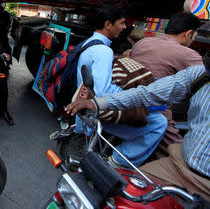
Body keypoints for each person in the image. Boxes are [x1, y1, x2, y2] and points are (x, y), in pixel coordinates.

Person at [65, 52, 210, 200]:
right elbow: (147, 93)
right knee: (122, 194)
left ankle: (116, 161)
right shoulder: (199, 74)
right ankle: (116, 162)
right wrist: (96, 103)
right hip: (178, 164)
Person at [75, 6, 167, 168]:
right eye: (122, 23)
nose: (125, 27)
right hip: (97, 109)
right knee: (159, 122)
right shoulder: (103, 51)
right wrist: (134, 95)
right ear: (108, 24)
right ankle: (117, 162)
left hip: (86, 102)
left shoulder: (91, 43)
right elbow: (103, 93)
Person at [129, 12, 203, 158]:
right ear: (188, 34)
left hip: (129, 104)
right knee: (180, 156)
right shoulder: (187, 54)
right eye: (194, 36)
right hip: (155, 111)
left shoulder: (142, 43)